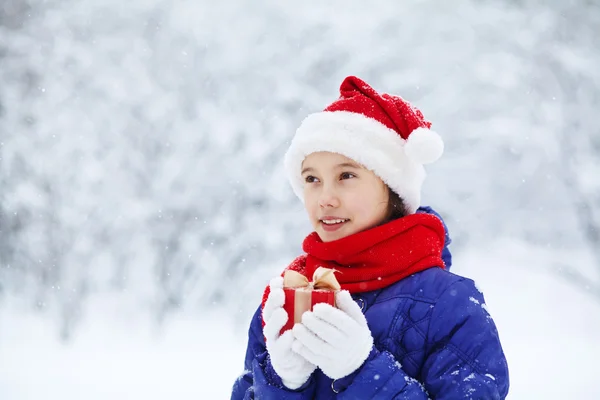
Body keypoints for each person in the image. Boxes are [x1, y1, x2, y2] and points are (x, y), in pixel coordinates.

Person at [230, 76, 509, 399]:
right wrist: (281, 384)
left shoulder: (450, 305)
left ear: (392, 189)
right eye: (312, 179)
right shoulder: (282, 300)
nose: (325, 198)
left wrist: (362, 372)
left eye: (346, 175)